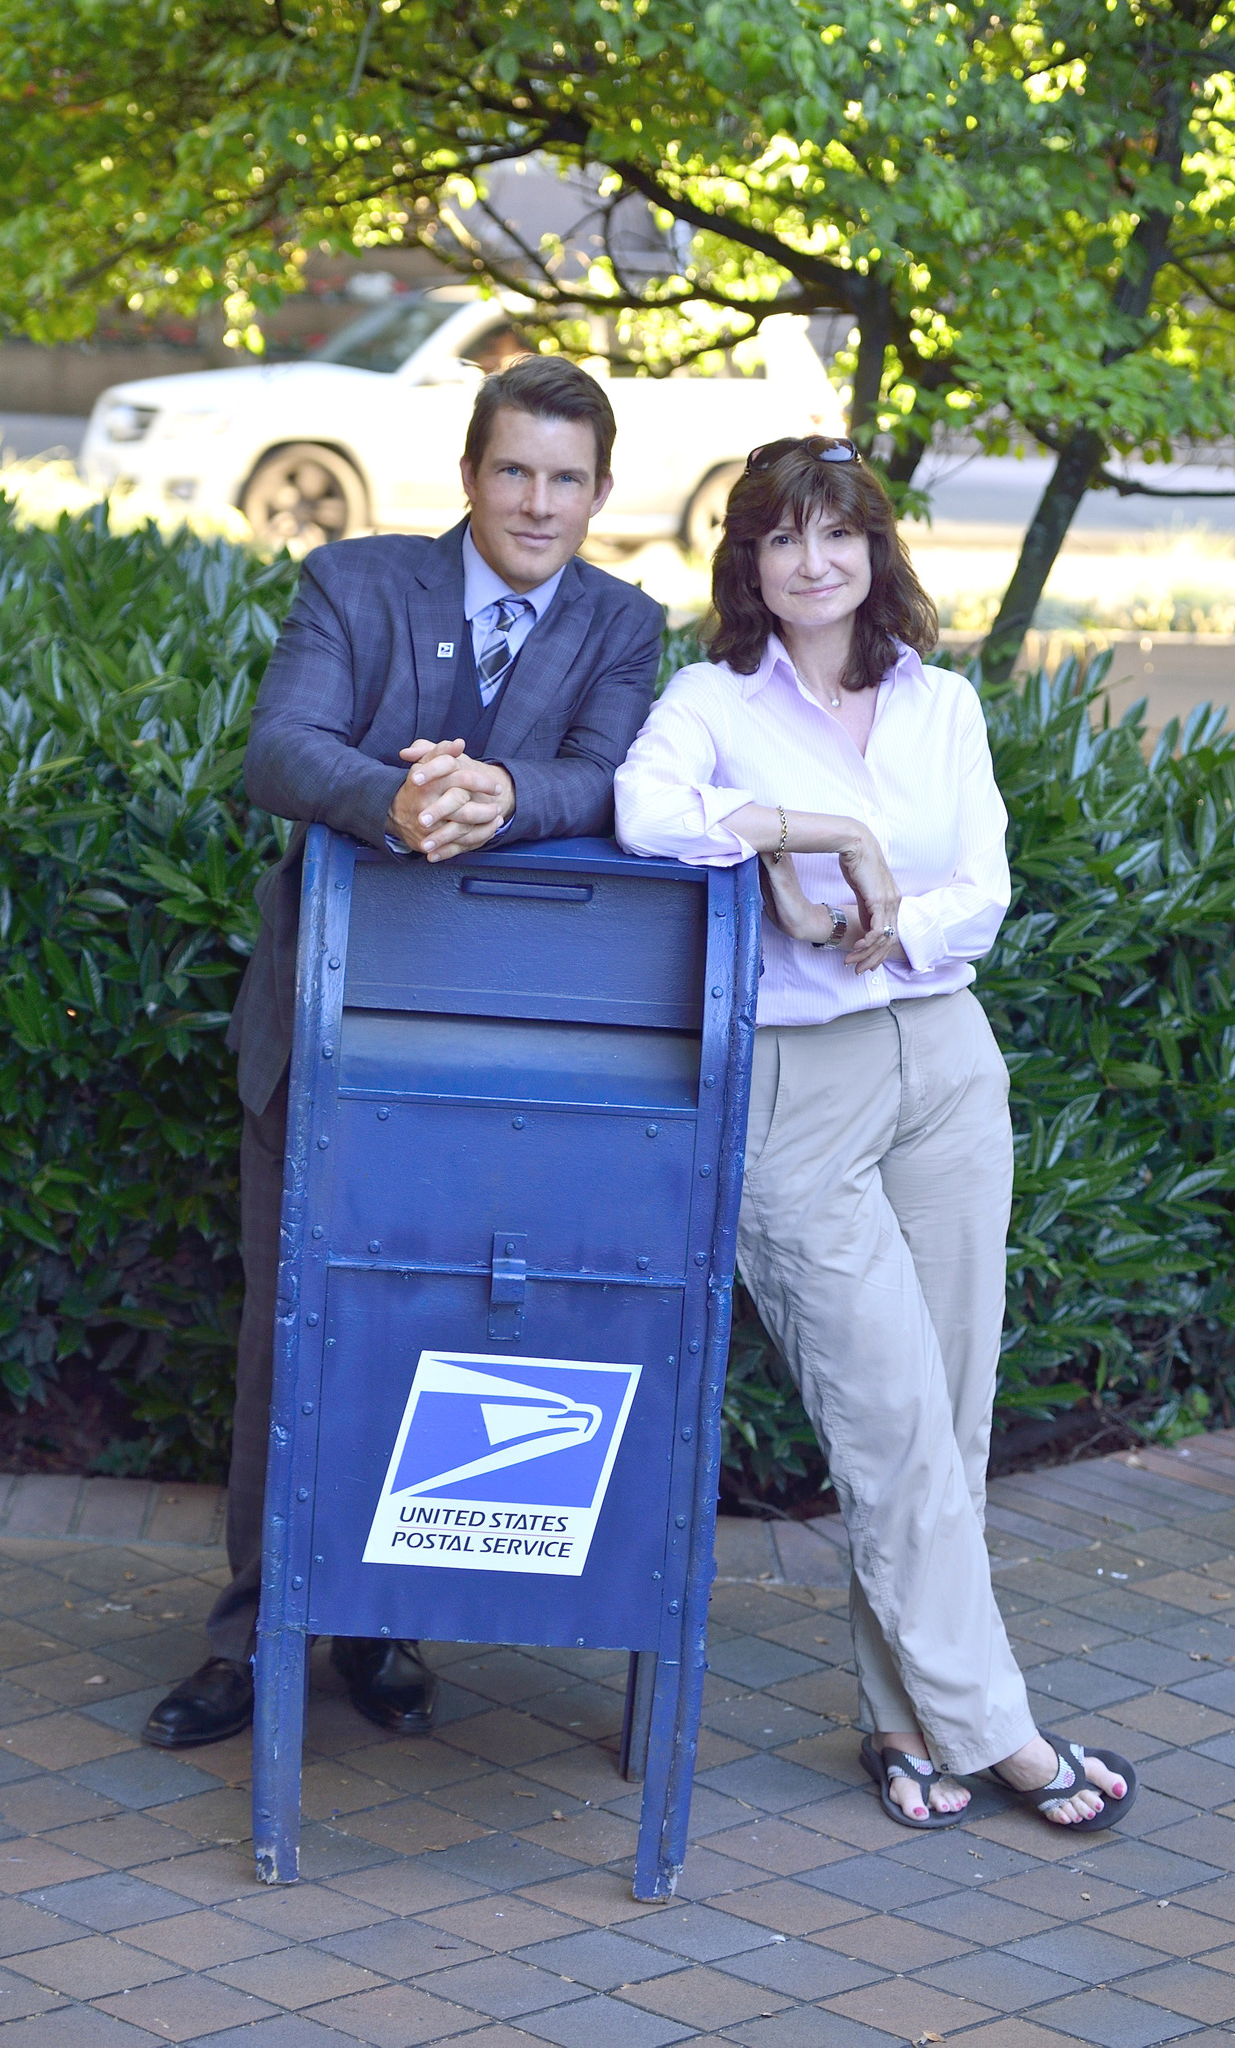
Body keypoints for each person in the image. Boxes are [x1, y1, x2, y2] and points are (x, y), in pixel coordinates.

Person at [614, 437, 1138, 1832]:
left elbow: (985, 882)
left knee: (948, 1422)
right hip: (798, 1086)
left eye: (837, 534)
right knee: (890, 1419)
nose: (812, 562)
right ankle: (1004, 1734)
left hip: (945, 1060)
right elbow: (647, 813)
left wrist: (876, 912)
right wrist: (812, 826)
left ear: (874, 549)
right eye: (782, 538)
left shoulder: (942, 701)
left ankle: (902, 1723)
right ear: (749, 559)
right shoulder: (711, 699)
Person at [145, 356, 663, 1750]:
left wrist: (498, 793)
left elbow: (618, 776)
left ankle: (380, 1626)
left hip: (492, 1066)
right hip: (318, 1027)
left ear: (600, 492)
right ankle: (254, 1638)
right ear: (470, 473)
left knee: (433, 1334)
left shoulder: (626, 622)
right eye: (513, 471)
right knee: (288, 1337)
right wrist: (396, 799)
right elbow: (278, 751)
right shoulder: (359, 583)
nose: (537, 503)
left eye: (565, 479)